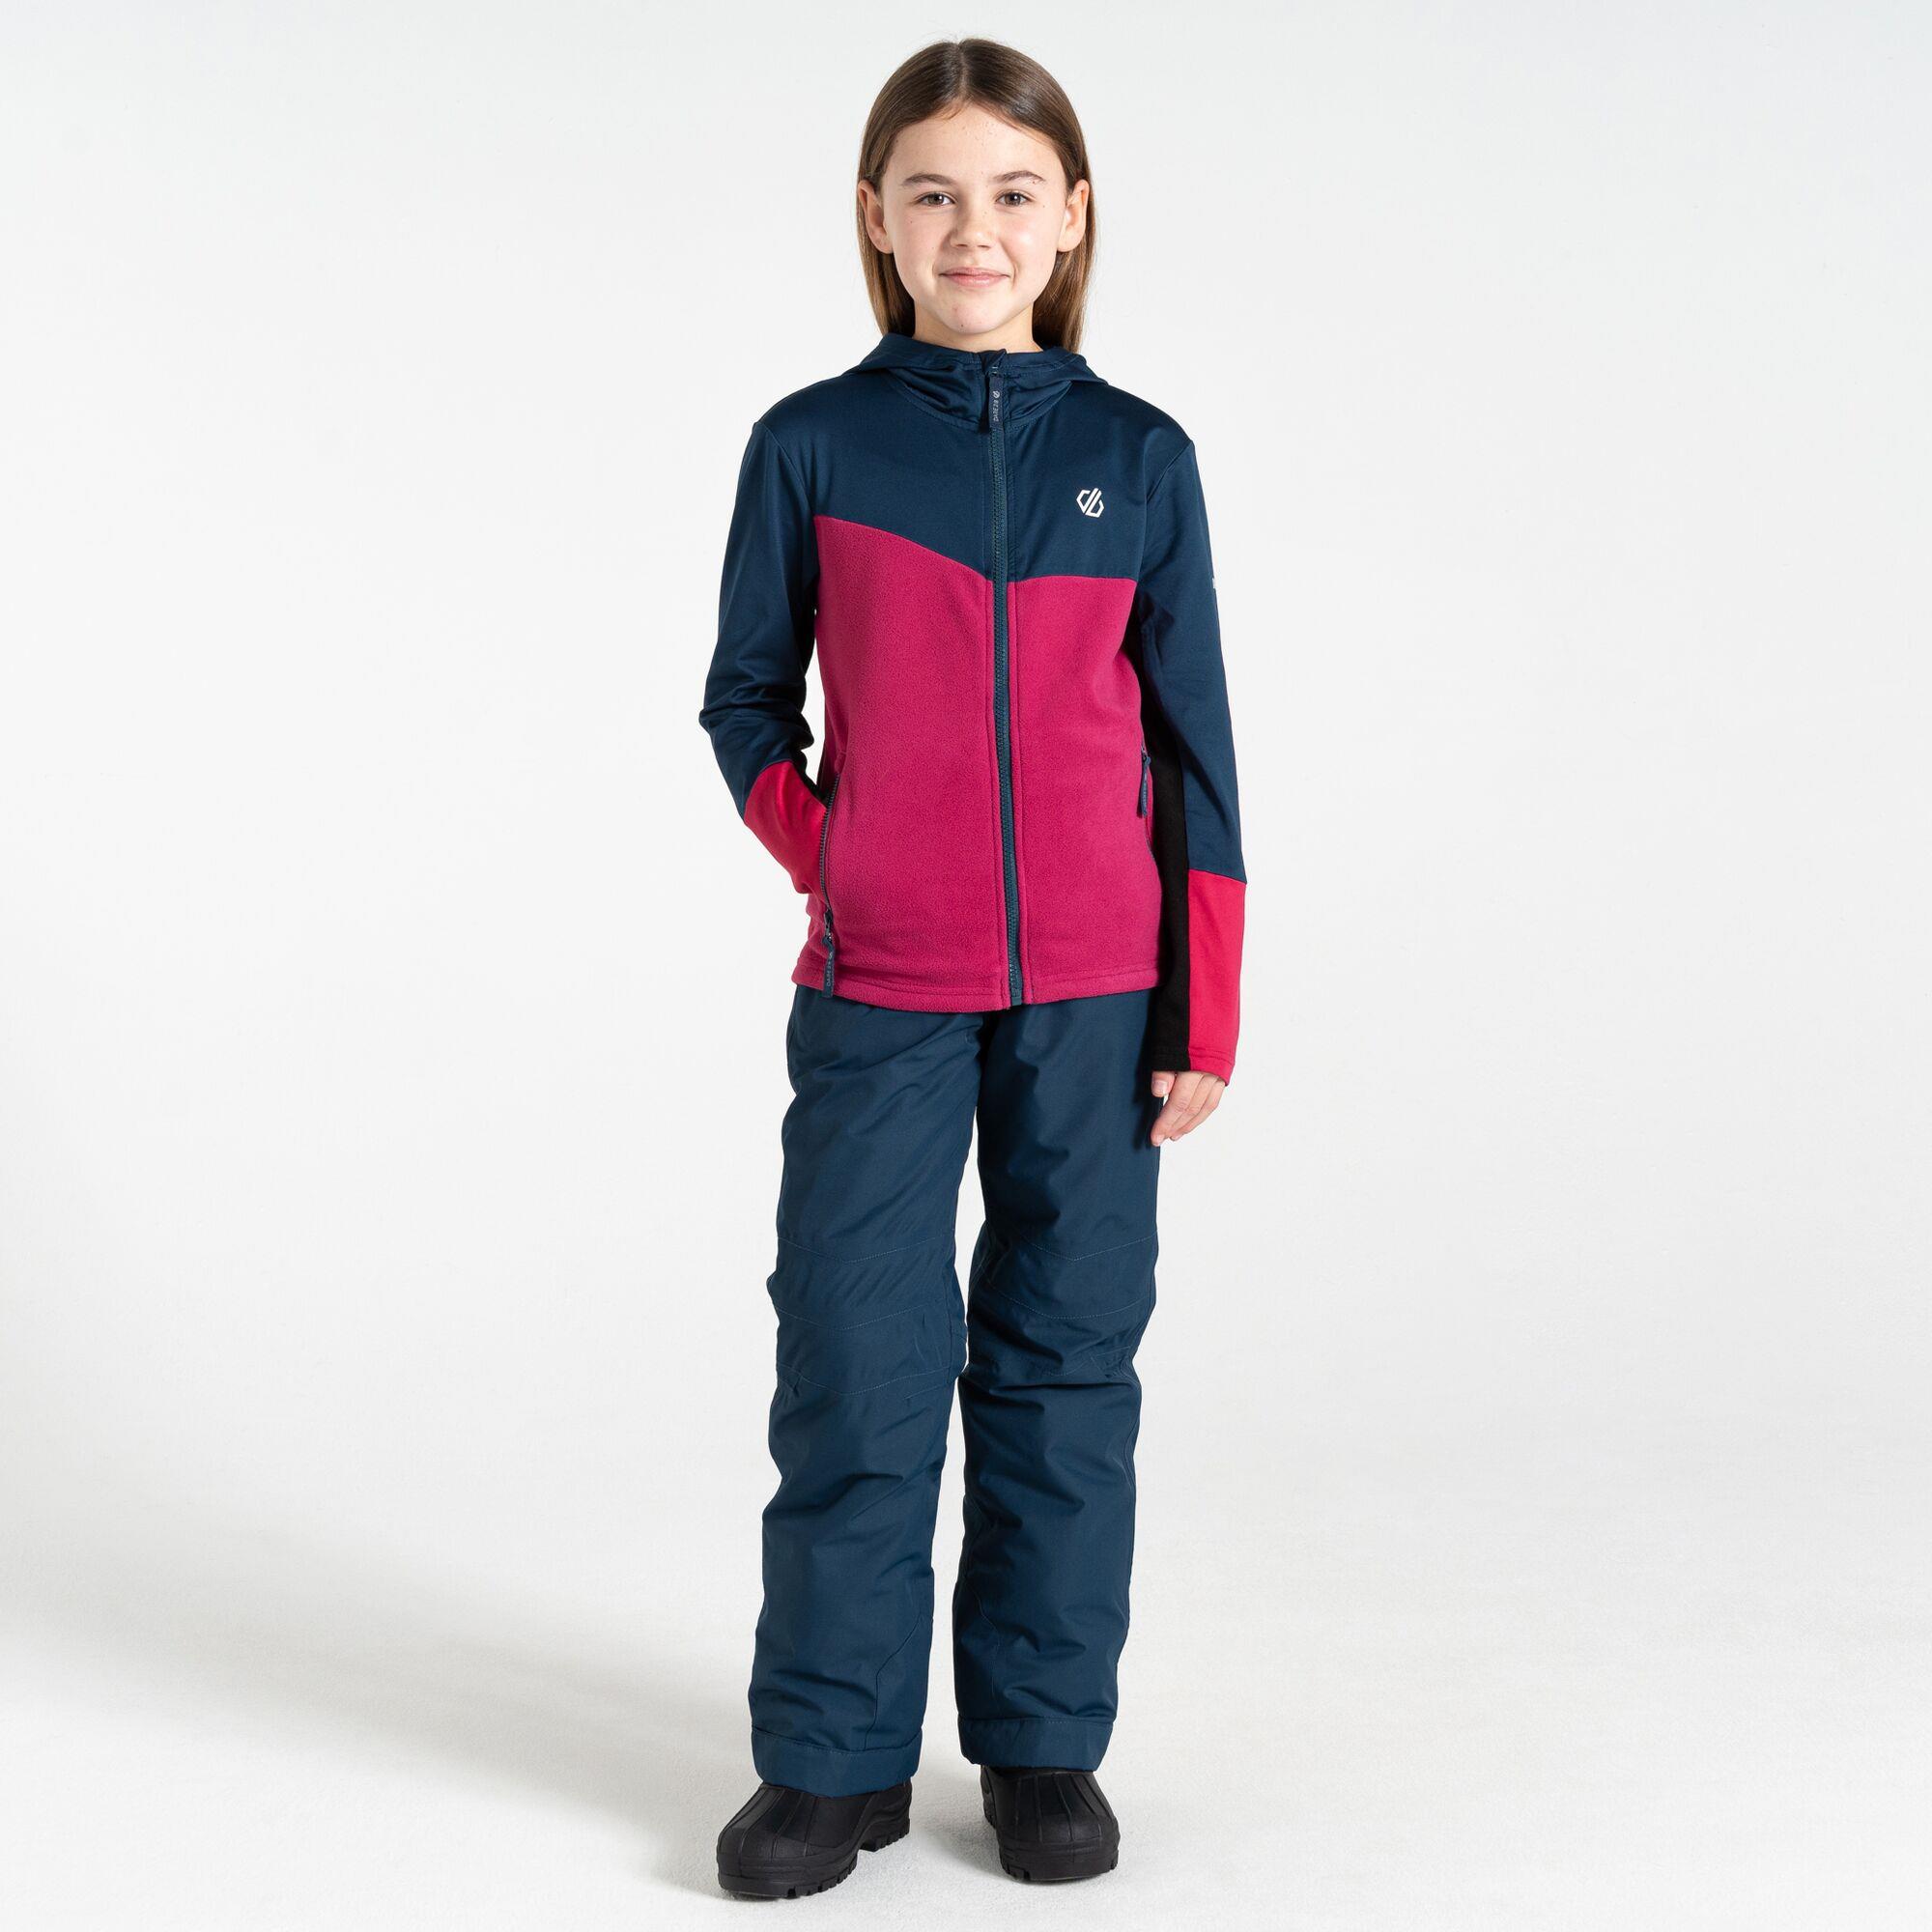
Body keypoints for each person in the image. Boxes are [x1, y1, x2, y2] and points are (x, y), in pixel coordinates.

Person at [697, 35, 1246, 1898]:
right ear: (877, 217)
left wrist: (1203, 1006)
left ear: (1072, 217)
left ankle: (1039, 1746)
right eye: (932, 193)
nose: (973, 229)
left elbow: (1196, 752)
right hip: (882, 987)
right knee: (856, 1361)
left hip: (1098, 994)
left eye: (1012, 193)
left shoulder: (1140, 457)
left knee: (1064, 1367)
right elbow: (744, 701)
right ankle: (829, 1759)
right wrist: (837, 856)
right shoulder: (813, 445)